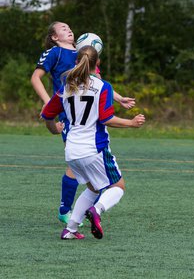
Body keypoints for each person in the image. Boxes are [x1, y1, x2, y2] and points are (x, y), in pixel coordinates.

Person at [31, 21, 136, 224]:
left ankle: (76, 217)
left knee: (85, 171)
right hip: (70, 115)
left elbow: (95, 86)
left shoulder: (84, 55)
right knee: (79, 165)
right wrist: (48, 104)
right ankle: (67, 211)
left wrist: (119, 98)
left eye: (70, 27)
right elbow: (36, 78)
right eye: (63, 28)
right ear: (54, 37)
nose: (69, 29)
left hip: (89, 116)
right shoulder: (55, 53)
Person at [41, 45, 145, 240]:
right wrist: (130, 123)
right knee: (118, 186)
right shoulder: (103, 86)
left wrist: (54, 129)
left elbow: (47, 114)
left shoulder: (66, 86)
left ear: (76, 62)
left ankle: (70, 229)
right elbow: (106, 119)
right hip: (93, 149)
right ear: (98, 63)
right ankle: (96, 210)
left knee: (93, 188)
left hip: (71, 151)